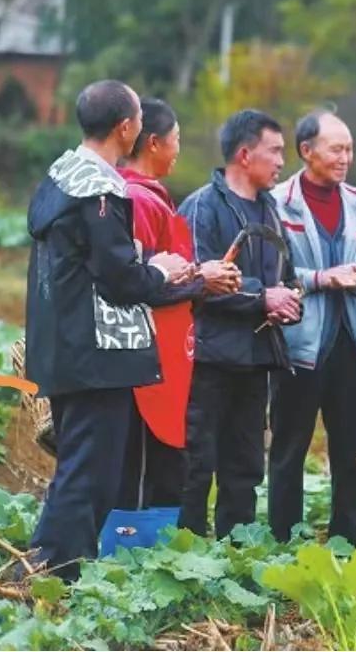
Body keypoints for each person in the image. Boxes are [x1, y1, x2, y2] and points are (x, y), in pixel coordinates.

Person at [24, 80, 192, 579]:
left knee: (79, 465)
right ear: (126, 127)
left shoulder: (60, 178)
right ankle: (60, 571)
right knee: (91, 472)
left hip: (63, 347)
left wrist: (138, 258)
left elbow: (91, 262)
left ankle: (46, 563)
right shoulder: (99, 188)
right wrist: (160, 269)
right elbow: (120, 279)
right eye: (139, 119)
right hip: (97, 353)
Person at [268, 109, 356, 544]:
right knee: (288, 450)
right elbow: (273, 274)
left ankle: (348, 542)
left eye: (350, 149)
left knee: (351, 454)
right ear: (307, 151)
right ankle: (282, 541)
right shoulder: (278, 203)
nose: (345, 158)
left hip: (352, 345)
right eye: (336, 149)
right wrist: (323, 278)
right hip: (299, 344)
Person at [177, 109, 301, 539]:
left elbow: (285, 275)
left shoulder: (271, 210)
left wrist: (288, 299)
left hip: (255, 358)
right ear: (245, 155)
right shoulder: (201, 207)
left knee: (245, 467)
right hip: (208, 358)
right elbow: (198, 276)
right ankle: (184, 551)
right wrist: (262, 296)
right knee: (196, 462)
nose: (282, 161)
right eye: (276, 151)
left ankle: (236, 553)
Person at [117, 97, 242, 510]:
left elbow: (170, 273)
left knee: (169, 468)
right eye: (176, 140)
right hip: (147, 362)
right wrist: (199, 280)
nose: (178, 150)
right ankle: (129, 557)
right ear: (153, 143)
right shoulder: (136, 200)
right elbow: (141, 285)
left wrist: (201, 277)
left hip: (172, 358)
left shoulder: (157, 197)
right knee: (148, 473)